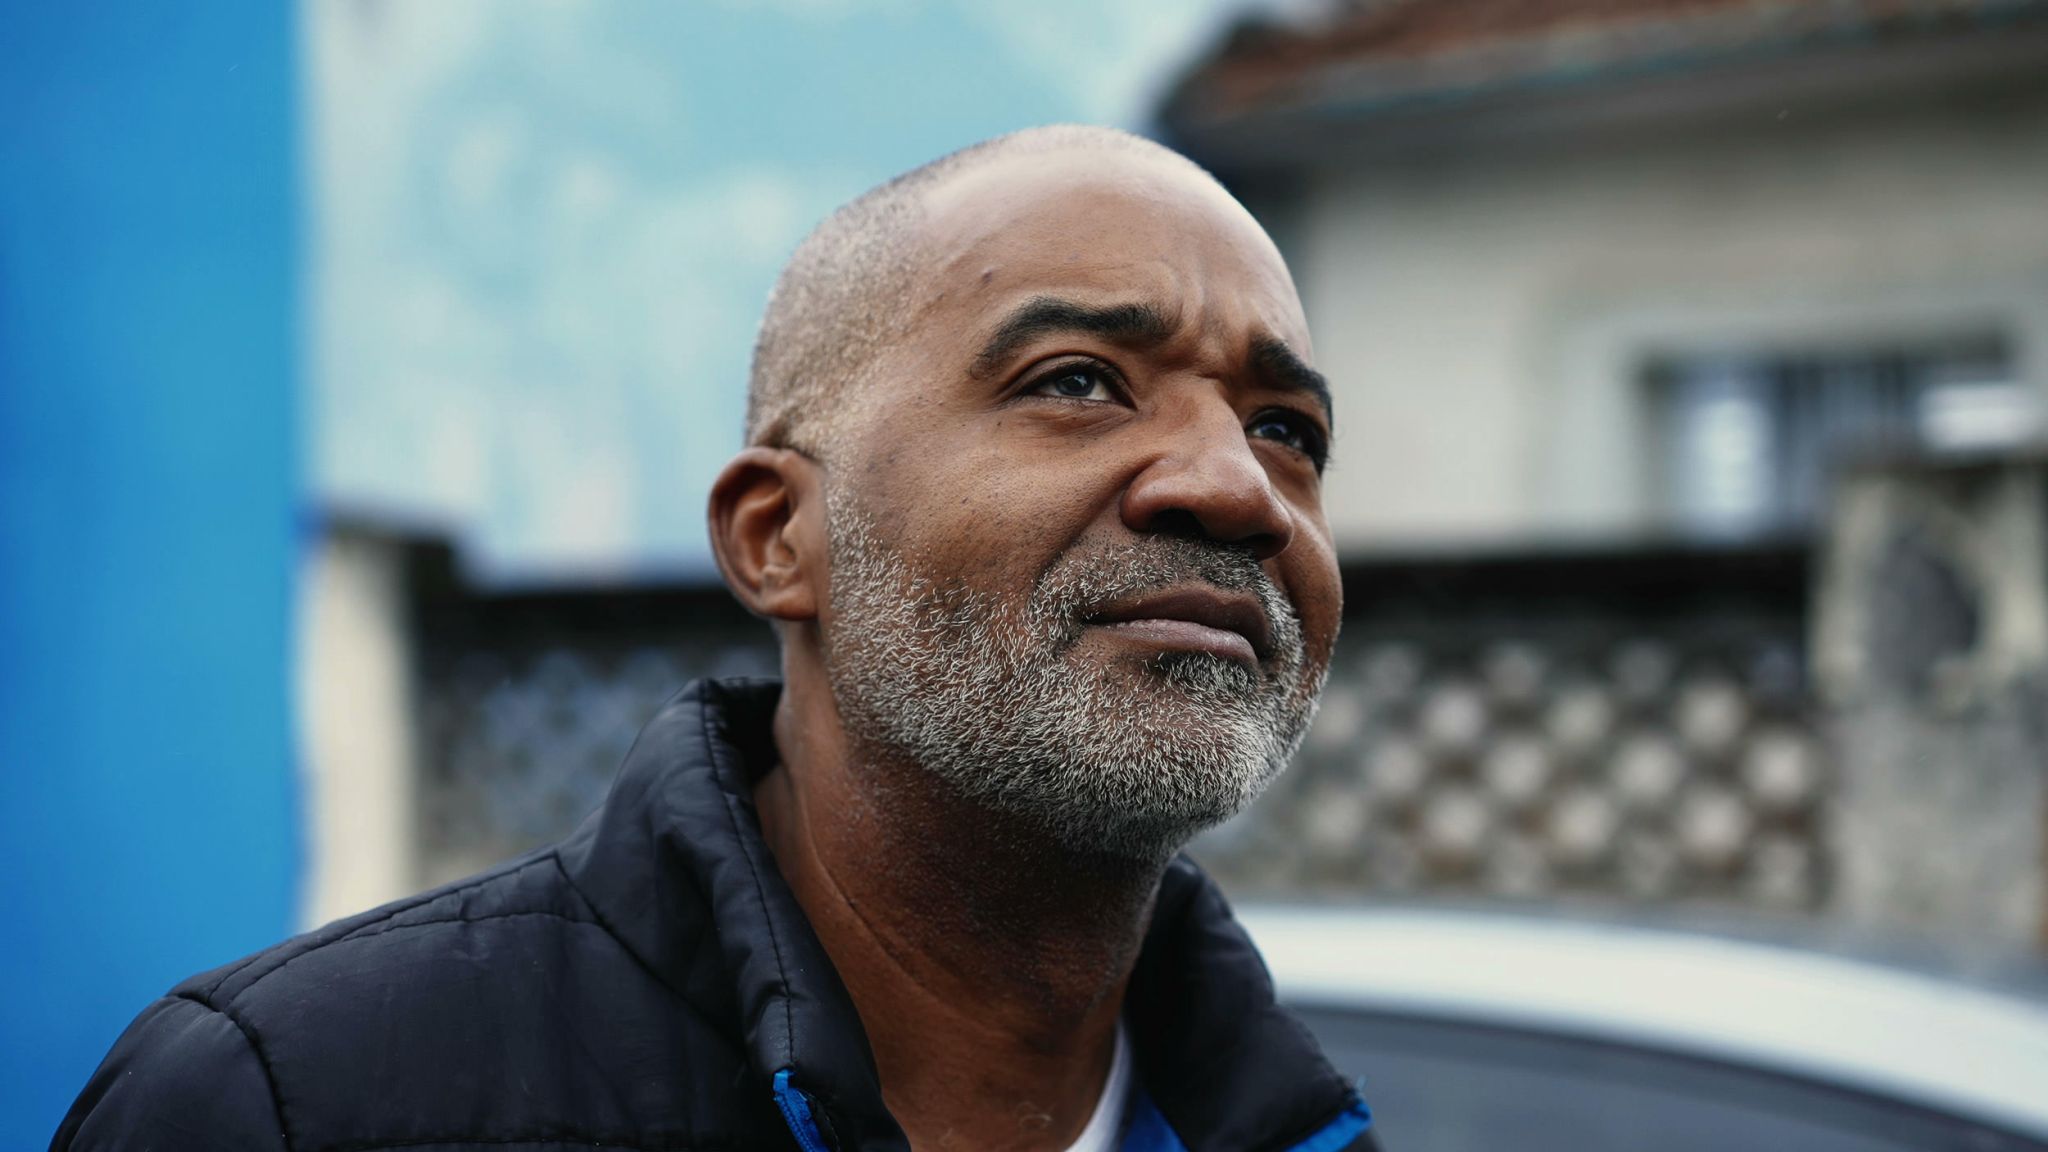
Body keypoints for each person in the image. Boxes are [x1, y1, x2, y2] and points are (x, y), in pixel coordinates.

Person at [54, 125, 1377, 1152]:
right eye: (1077, 382)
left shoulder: (1300, 1126)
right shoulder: (292, 1101)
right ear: (774, 537)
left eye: (1285, 430)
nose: (1234, 487)